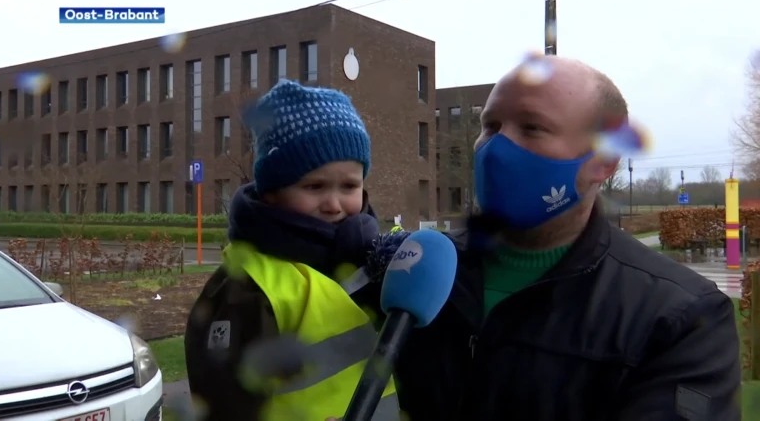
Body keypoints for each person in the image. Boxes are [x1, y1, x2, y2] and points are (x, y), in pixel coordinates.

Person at [335, 55, 741, 421]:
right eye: (489, 126)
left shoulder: (681, 319)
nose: (495, 148)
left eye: (532, 128)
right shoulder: (416, 271)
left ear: (603, 163)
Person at [184, 80, 399, 421]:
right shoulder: (247, 286)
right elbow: (224, 406)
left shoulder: (379, 257)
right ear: (271, 192)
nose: (333, 204)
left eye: (349, 186)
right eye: (314, 186)